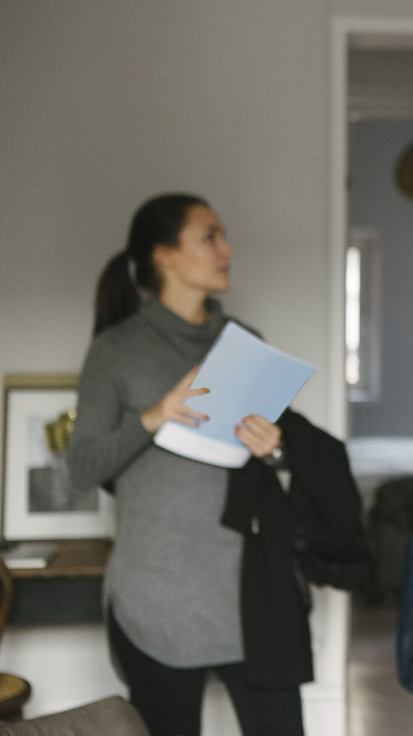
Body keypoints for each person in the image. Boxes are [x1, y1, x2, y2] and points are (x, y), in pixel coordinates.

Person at [67, 194, 305, 736]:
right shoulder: (116, 351)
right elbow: (81, 468)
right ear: (165, 256)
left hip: (249, 591)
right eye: (210, 237)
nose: (228, 249)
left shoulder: (247, 344)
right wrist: (154, 417)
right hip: (158, 597)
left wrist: (276, 448)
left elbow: (268, 469)